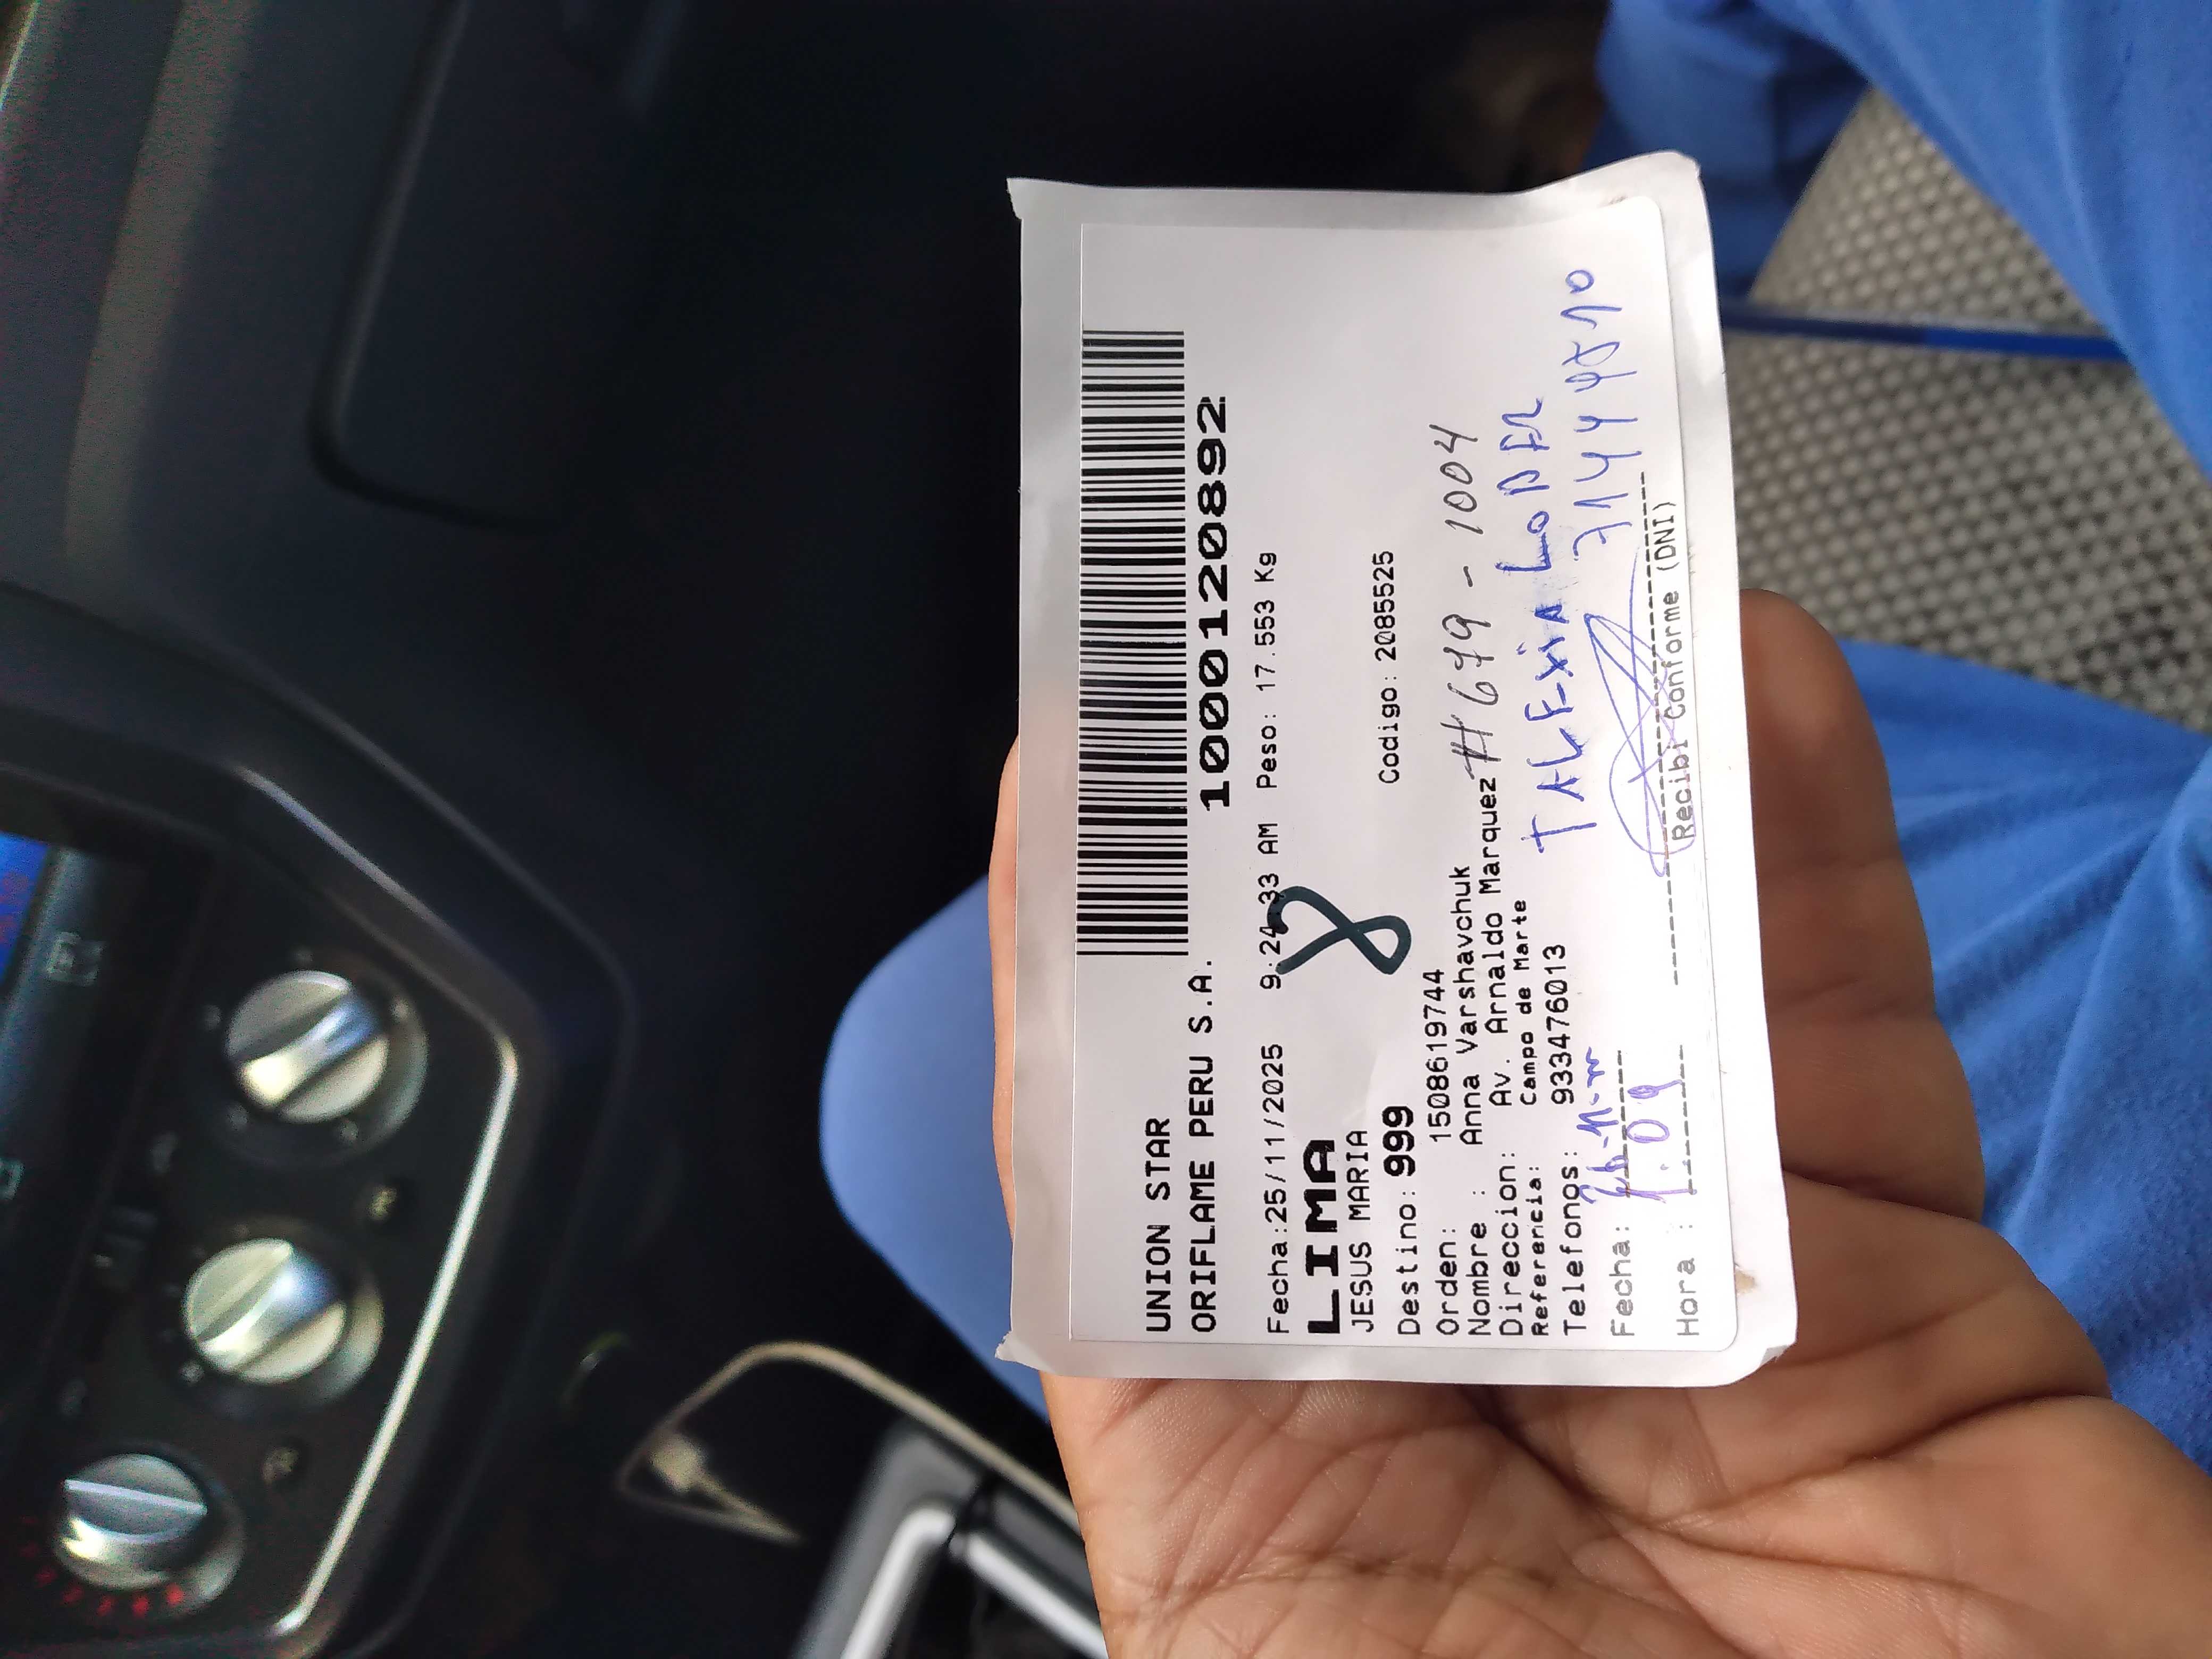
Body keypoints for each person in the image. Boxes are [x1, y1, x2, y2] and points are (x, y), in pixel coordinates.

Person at [823, 0, 2212, 1650]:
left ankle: (1632, 235)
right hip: (2096, 1357)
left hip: (1881, 1397)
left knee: (918, 1085)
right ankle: (1629, 244)